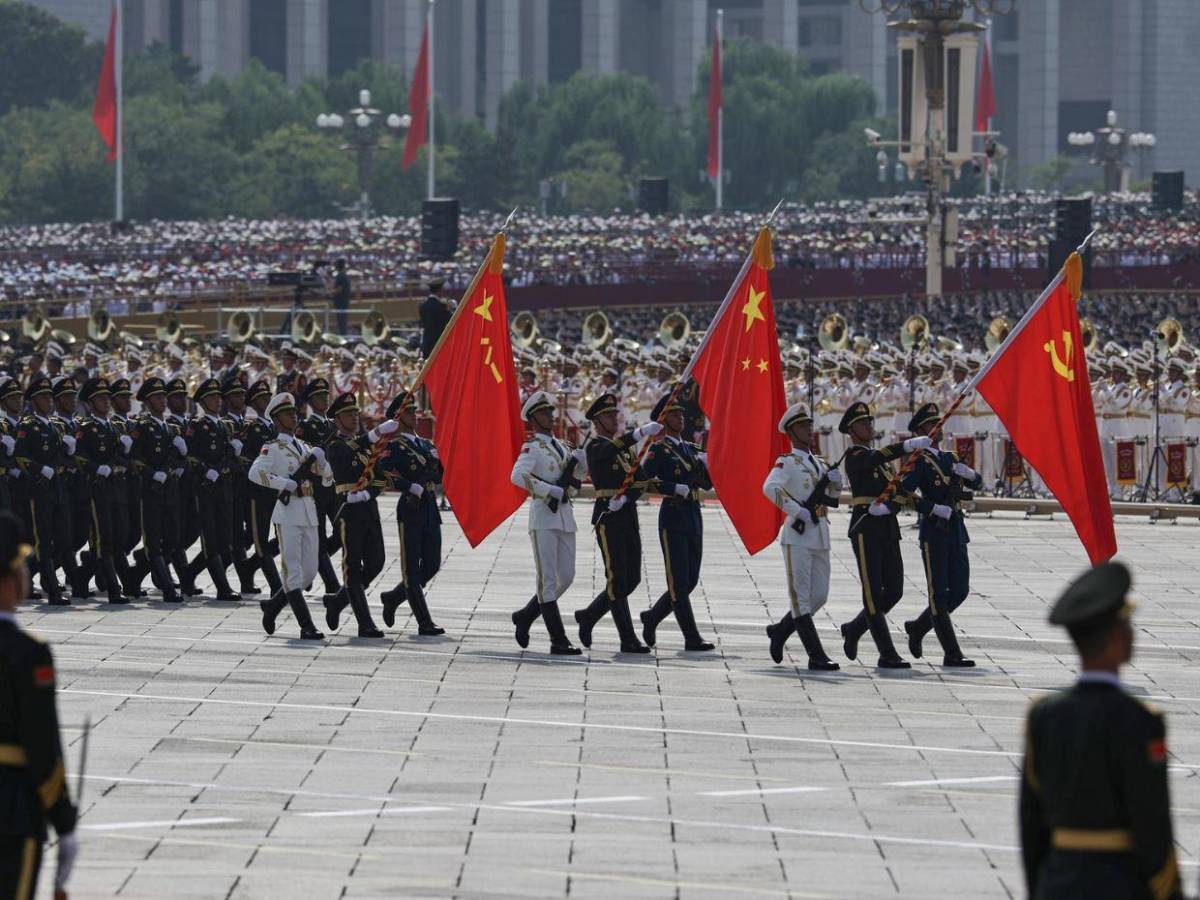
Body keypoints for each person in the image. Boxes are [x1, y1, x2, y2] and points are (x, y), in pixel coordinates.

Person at [1019, 561, 1182, 900]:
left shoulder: (1044, 716)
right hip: (1120, 884)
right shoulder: (1141, 720)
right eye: (1127, 625)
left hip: (1057, 883)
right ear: (1116, 639)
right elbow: (1151, 823)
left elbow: (1030, 825)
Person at [0, 510, 79, 900]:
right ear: (12, 577)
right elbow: (41, 742)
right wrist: (63, 821)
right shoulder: (28, 653)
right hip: (10, 810)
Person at [837, 401, 931, 669]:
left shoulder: (884, 464)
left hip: (888, 528)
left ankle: (854, 629)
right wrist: (906, 447)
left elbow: (900, 491)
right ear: (852, 430)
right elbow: (875, 459)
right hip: (866, 528)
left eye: (869, 422)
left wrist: (930, 507)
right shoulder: (854, 456)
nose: (869, 426)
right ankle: (887, 653)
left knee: (895, 591)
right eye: (863, 423)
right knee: (873, 594)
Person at [574, 393, 663, 653]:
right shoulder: (595, 446)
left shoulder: (625, 451)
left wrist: (627, 498)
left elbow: (642, 480)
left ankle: (589, 616)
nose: (615, 419)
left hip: (626, 514)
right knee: (616, 578)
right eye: (609, 415)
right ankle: (627, 638)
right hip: (607, 516)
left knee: (632, 578)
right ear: (597, 421)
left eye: (615, 414)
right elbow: (607, 451)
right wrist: (638, 434)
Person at [899, 402, 983, 667]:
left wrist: (969, 473)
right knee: (939, 594)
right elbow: (903, 493)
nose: (938, 429)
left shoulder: (951, 457)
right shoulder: (919, 461)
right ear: (922, 430)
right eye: (932, 424)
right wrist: (931, 508)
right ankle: (951, 652)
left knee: (960, 589)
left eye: (939, 423)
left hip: (956, 528)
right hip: (934, 529)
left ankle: (919, 627)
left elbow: (976, 483)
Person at [761, 402, 841, 670]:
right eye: (804, 426)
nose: (809, 429)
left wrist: (836, 481)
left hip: (819, 533)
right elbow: (769, 488)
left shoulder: (818, 463)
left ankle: (781, 631)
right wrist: (796, 511)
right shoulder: (788, 462)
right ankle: (816, 655)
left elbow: (832, 498)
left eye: (809, 425)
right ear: (792, 432)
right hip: (798, 535)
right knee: (801, 597)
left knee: (820, 596)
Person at [248, 393, 330, 640]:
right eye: (287, 413)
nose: (293, 416)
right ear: (276, 419)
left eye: (294, 412)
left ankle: (273, 606)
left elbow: (326, 479)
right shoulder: (272, 448)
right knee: (292, 571)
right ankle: (306, 625)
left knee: (310, 572)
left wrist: (323, 462)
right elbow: (255, 473)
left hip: (309, 511)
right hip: (288, 513)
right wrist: (284, 483)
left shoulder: (304, 447)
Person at [509, 390, 584, 655]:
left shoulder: (562, 445)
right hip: (543, 517)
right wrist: (549, 490)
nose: (549, 416)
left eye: (550, 411)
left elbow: (575, 482)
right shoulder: (532, 447)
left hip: (565, 517)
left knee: (568, 576)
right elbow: (517, 476)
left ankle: (527, 615)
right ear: (532, 418)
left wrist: (581, 465)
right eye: (543, 413)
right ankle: (558, 640)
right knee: (548, 581)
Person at [640, 390, 715, 652]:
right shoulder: (658, 448)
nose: (681, 417)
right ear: (663, 419)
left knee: (690, 580)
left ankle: (652, 617)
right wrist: (675, 488)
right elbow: (646, 481)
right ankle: (691, 637)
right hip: (672, 514)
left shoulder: (692, 449)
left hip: (693, 514)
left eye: (681, 413)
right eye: (674, 414)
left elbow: (707, 484)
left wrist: (707, 467)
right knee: (678, 582)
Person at [322, 392, 396, 637]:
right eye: (347, 414)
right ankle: (365, 622)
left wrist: (368, 494)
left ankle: (337, 602)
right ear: (336, 419)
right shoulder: (334, 445)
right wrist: (374, 435)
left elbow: (380, 476)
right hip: (347, 510)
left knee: (376, 562)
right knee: (352, 566)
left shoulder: (365, 448)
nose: (353, 418)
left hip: (367, 508)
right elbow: (343, 457)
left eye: (355, 413)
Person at [376, 392, 445, 635]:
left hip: (428, 506)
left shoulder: (425, 444)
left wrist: (438, 462)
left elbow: (438, 477)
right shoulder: (394, 445)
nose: (414, 415)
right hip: (410, 506)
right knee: (412, 570)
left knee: (432, 564)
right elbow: (382, 473)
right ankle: (424, 621)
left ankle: (393, 598)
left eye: (414, 411)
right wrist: (407, 486)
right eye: (408, 412)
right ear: (398, 416)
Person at [13, 377, 74, 605]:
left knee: (63, 539)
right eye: (44, 397)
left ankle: (30, 577)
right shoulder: (28, 425)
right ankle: (53, 592)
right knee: (43, 541)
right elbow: (20, 456)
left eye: (50, 397)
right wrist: (41, 470)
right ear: (34, 400)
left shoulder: (54, 426)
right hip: (40, 490)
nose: (49, 401)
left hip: (57, 488)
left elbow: (58, 456)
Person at [73, 377, 132, 605]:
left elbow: (122, 459)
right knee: (103, 539)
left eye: (107, 398)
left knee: (120, 537)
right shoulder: (86, 428)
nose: (106, 402)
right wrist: (97, 468)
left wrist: (123, 456)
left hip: (116, 489)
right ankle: (114, 590)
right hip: (97, 491)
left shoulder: (115, 427)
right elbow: (78, 457)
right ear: (89, 403)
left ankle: (81, 577)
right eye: (100, 398)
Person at [187, 378, 241, 602]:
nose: (217, 401)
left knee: (224, 539)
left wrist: (231, 457)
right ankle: (222, 587)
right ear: (202, 402)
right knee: (210, 538)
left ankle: (188, 573)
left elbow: (228, 458)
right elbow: (190, 456)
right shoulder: (197, 425)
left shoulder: (226, 425)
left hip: (224, 487)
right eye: (212, 398)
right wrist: (205, 470)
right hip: (206, 488)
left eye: (219, 397)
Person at [295, 378, 342, 603]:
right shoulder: (305, 427)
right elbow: (302, 460)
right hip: (315, 488)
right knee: (319, 537)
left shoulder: (333, 425)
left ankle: (313, 560)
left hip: (334, 487)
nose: (324, 399)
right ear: (310, 401)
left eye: (326, 395)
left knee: (342, 532)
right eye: (319, 396)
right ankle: (332, 584)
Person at [418, 277, 453, 359]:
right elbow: (450, 320)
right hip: (439, 344)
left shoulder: (423, 305)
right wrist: (448, 309)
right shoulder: (441, 306)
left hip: (426, 344)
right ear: (439, 290)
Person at [331, 258, 351, 336]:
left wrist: (330, 293)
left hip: (341, 303)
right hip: (343, 302)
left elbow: (339, 290)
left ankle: (344, 338)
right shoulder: (343, 275)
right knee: (342, 323)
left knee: (342, 323)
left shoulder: (341, 276)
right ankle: (343, 337)